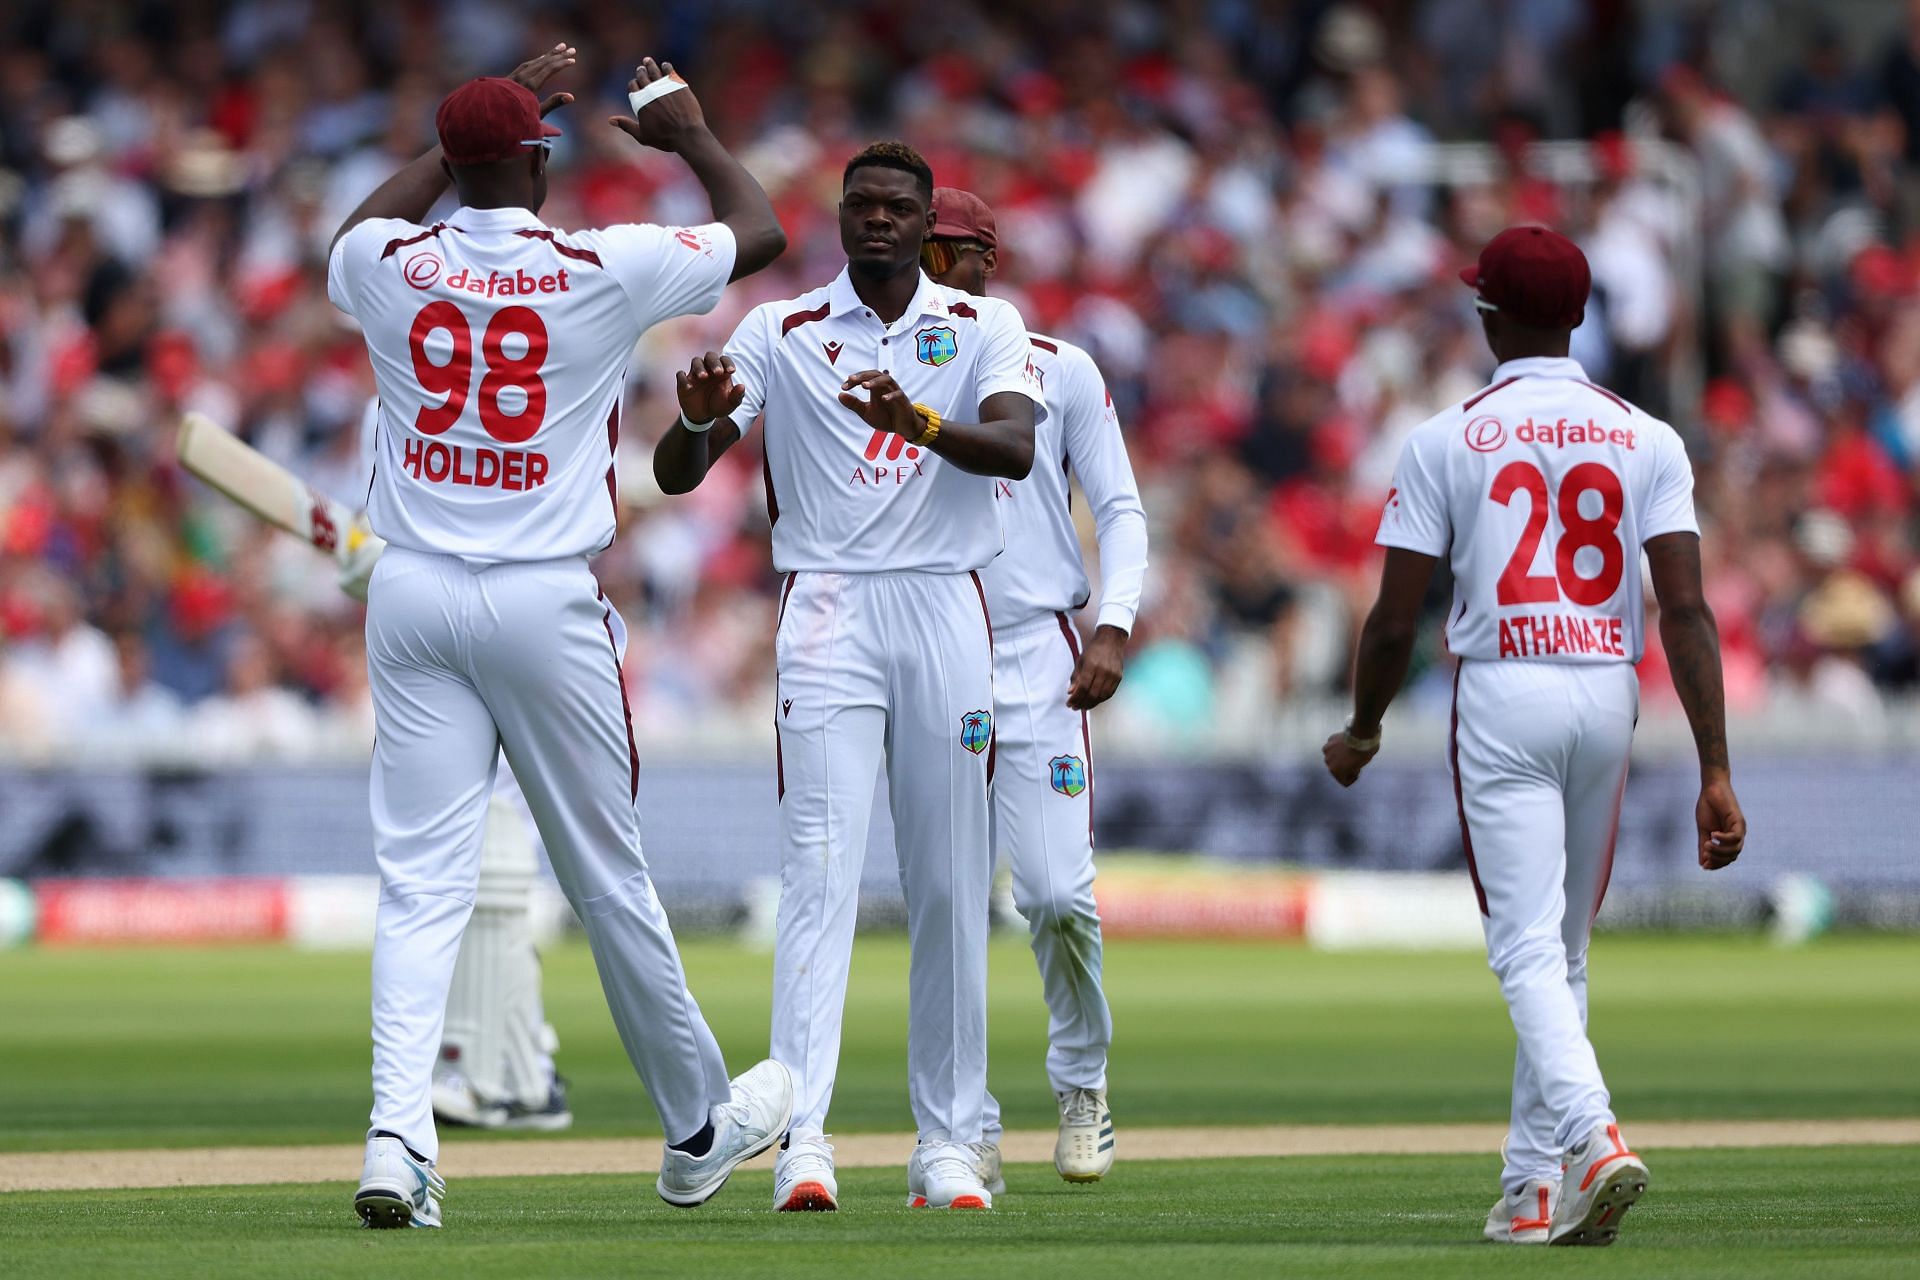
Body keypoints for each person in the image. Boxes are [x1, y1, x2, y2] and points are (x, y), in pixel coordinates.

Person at [325, 45, 794, 1228]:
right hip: (541, 593)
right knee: (603, 872)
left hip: (414, 589)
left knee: (418, 883)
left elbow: (357, 231)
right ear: (539, 160)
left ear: (451, 162)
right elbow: (763, 231)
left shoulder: (382, 261)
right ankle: (693, 1125)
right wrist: (685, 133)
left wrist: (473, 124)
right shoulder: (602, 265)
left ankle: (396, 1136)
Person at [1322, 226, 1747, 1247]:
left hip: (1504, 685)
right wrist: (1717, 766)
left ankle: (1593, 1136)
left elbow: (1394, 617)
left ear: (1490, 317)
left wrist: (1364, 724)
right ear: (1581, 315)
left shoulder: (1443, 436)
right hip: (1608, 686)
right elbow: (1685, 612)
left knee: (1522, 945)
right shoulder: (1646, 434)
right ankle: (1531, 1186)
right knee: (1563, 945)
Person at [653, 142, 1044, 1212]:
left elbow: (1011, 449)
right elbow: (675, 472)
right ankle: (803, 1140)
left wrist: (911, 419)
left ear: (928, 226)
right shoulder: (780, 330)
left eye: (897, 207)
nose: (877, 220)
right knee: (819, 878)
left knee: (952, 880)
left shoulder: (982, 326)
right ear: (840, 216)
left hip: (944, 602)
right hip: (827, 604)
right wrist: (694, 418)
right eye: (861, 204)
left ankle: (949, 1144)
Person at [922, 187, 1147, 1187]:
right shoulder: (874, 363)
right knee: (951, 897)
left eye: (954, 251)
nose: (938, 268)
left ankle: (1083, 1080)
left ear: (987, 259)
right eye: (925, 251)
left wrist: (1114, 620)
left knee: (1057, 892)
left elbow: (1123, 506)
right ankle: (966, 1121)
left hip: (1037, 651)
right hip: (931, 647)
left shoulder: (1060, 369)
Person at [339, 398, 572, 1134]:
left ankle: (500, 1067)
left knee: (503, 852)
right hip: (448, 635)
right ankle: (515, 1065)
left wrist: (390, 565)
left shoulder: (539, 358)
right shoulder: (386, 401)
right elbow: (384, 517)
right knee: (483, 852)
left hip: (530, 614)